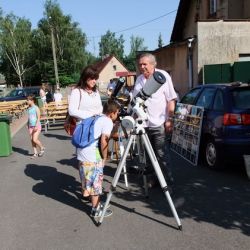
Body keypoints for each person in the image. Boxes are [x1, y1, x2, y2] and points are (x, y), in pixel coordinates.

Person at [132, 53, 177, 188]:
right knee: (148, 156)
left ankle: (167, 181)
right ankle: (153, 179)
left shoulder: (162, 77)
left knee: (162, 154)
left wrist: (169, 119)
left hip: (159, 123)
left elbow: (171, 99)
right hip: (144, 124)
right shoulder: (139, 79)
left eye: (144, 64)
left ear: (153, 64)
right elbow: (135, 101)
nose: (142, 67)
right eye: (140, 64)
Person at [78, 100, 120, 218]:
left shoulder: (96, 117)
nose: (117, 115)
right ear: (112, 113)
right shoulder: (107, 121)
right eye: (117, 113)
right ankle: (95, 210)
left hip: (83, 154)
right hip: (91, 156)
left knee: (89, 181)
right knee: (96, 184)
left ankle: (95, 203)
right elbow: (104, 141)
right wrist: (104, 157)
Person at [68, 65, 103, 197]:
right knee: (83, 160)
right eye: (92, 78)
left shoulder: (96, 92)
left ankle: (92, 187)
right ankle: (85, 185)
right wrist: (91, 114)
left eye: (96, 79)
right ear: (85, 78)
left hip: (96, 129)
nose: (94, 81)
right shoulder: (77, 92)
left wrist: (97, 115)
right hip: (83, 129)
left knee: (95, 158)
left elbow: (100, 108)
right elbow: (72, 111)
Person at [27, 94, 45, 159]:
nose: (27, 101)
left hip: (36, 126)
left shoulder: (36, 107)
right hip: (30, 126)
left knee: (35, 139)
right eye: (27, 100)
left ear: (32, 100)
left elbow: (38, 118)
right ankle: (35, 153)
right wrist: (28, 125)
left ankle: (42, 147)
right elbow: (29, 118)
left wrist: (36, 126)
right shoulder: (28, 108)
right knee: (32, 140)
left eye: (28, 100)